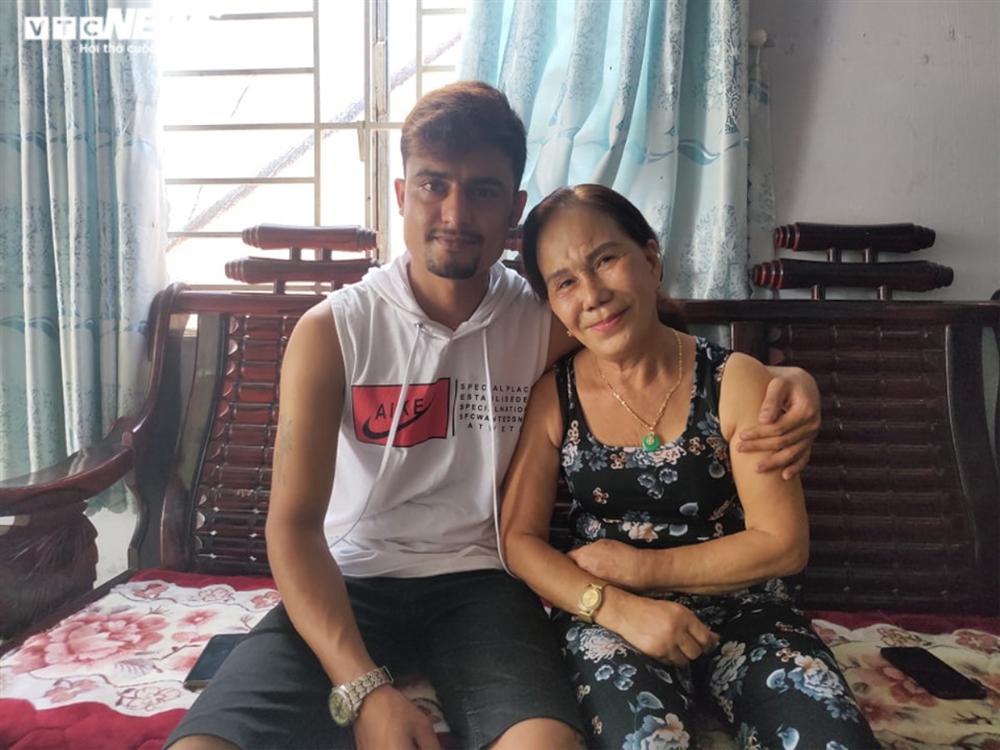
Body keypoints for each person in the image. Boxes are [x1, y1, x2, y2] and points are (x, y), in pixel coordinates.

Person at [168, 84, 822, 750]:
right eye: (434, 186)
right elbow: (292, 527)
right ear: (402, 195)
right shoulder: (332, 332)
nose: (455, 213)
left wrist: (790, 382)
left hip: (480, 586)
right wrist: (363, 688)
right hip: (348, 579)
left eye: (482, 190)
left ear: (513, 209)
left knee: (545, 745)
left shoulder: (541, 317)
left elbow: (649, 336)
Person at [500, 184, 877, 750]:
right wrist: (615, 605)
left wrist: (640, 569)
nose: (594, 295)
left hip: (749, 611)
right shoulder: (555, 396)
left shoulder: (734, 381)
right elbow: (519, 540)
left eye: (606, 259)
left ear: (651, 260)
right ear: (553, 305)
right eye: (565, 282)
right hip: (614, 620)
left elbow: (782, 544)